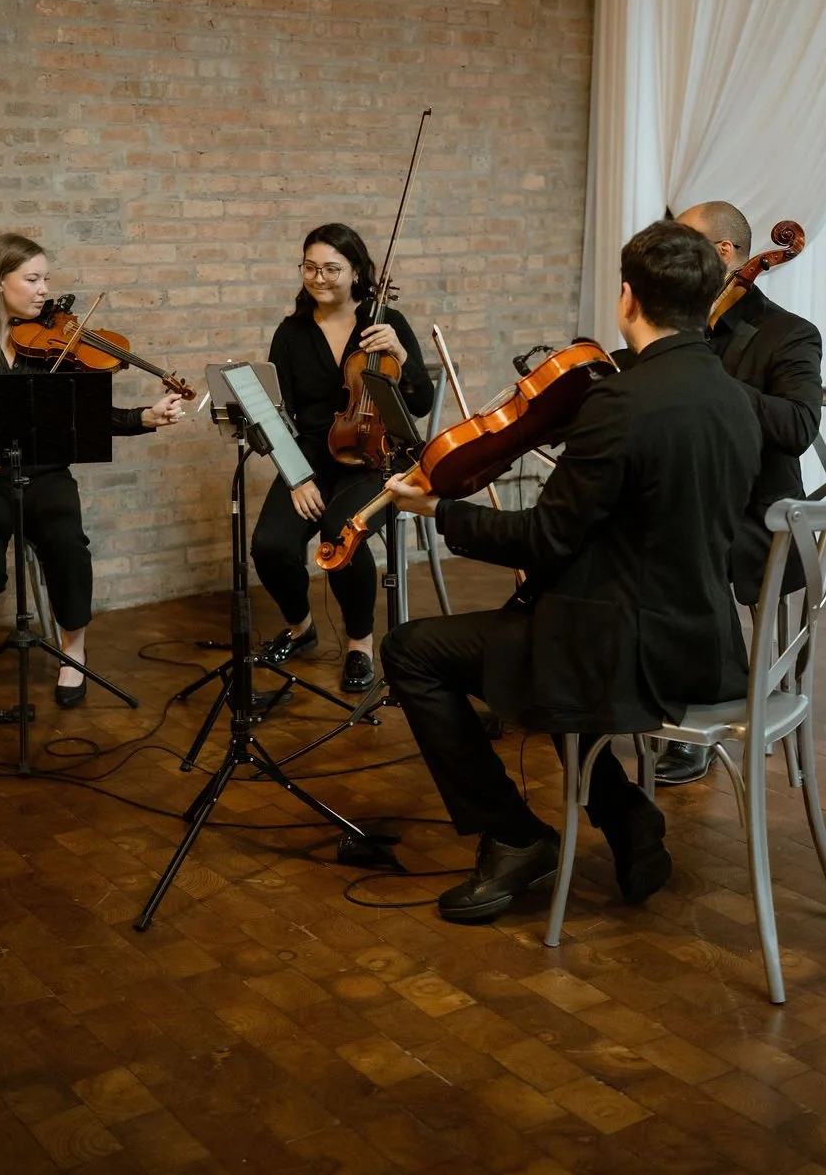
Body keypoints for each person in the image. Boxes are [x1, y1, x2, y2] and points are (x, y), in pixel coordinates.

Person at [379, 220, 762, 924]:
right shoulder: (735, 398)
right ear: (709, 298)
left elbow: (544, 537)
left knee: (414, 650)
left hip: (628, 654)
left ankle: (515, 834)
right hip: (705, 644)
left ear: (626, 299)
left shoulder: (621, 402)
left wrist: (437, 508)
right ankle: (626, 817)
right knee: (544, 627)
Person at [0, 233, 184, 708]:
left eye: (45, 279)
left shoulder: (54, 343)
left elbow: (86, 414)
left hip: (45, 476)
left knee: (68, 546)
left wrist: (142, 417)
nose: (43, 291)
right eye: (32, 279)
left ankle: (73, 650)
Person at [653, 201, 823, 784]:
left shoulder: (790, 334)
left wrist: (711, 381)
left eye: (685, 246)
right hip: (684, 498)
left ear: (723, 254)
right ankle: (613, 683)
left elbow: (799, 426)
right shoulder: (675, 324)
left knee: (686, 547)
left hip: (759, 514)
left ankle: (708, 702)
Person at [250, 223, 433, 693]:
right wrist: (297, 479)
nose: (320, 277)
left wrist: (401, 355)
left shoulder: (383, 323)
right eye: (310, 267)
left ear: (357, 273)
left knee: (341, 532)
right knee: (269, 545)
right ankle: (301, 627)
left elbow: (420, 403)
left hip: (376, 457)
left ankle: (359, 644)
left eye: (332, 268)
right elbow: (278, 415)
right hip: (311, 457)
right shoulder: (291, 334)